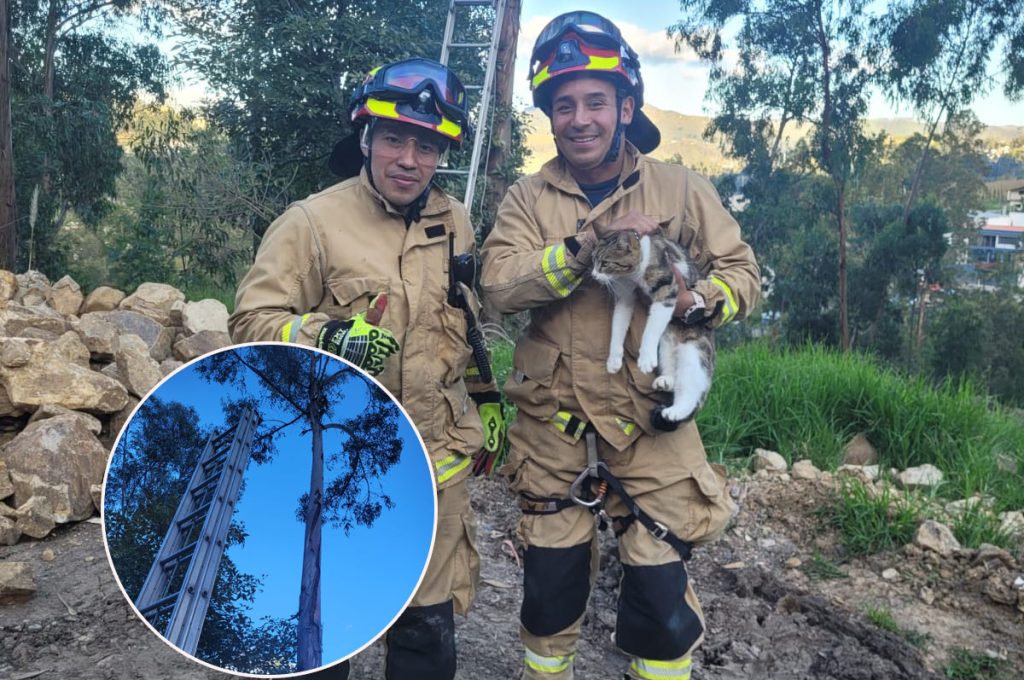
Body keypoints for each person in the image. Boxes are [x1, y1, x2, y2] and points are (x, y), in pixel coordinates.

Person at [480, 11, 760, 680]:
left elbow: (742, 269)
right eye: (564, 104)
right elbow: (498, 284)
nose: (580, 118)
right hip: (553, 426)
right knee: (548, 596)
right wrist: (584, 246)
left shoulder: (681, 190)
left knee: (663, 607)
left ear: (626, 107)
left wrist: (706, 299)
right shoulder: (528, 198)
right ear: (550, 115)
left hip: (652, 422)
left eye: (596, 102)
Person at [228, 57, 505, 680]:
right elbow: (249, 323)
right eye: (395, 139)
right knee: (324, 637)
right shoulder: (311, 224)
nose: (410, 159)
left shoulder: (454, 221)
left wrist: (486, 399)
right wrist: (324, 335)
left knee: (426, 642)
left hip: (436, 471)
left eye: (428, 145)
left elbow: (463, 322)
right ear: (367, 139)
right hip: (337, 474)